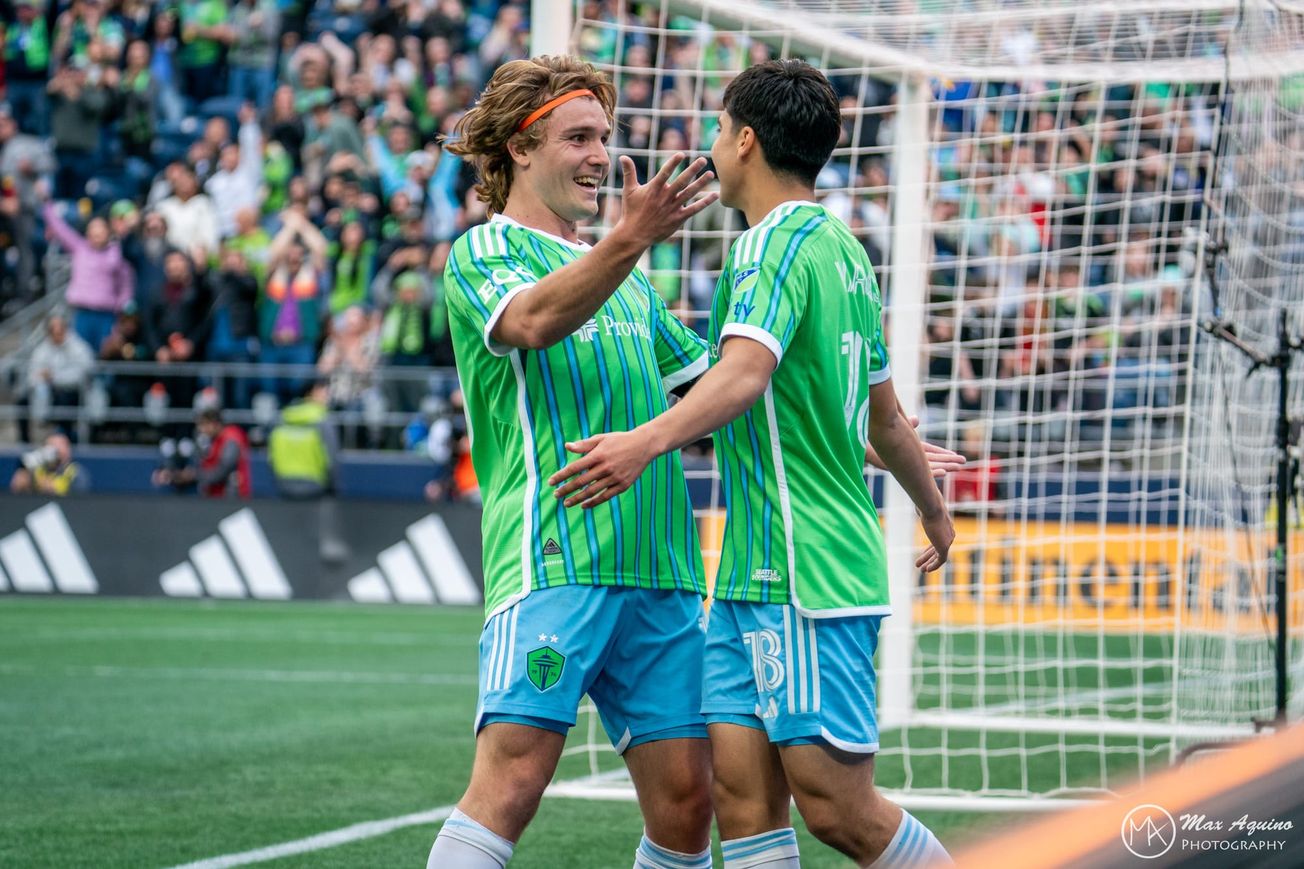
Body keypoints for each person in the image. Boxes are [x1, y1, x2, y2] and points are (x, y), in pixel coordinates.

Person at [549, 61, 957, 868]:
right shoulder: (840, 247)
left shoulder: (770, 246)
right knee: (743, 805)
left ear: (745, 140)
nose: (707, 144)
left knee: (840, 811)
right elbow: (877, 413)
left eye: (715, 128)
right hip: (748, 575)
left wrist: (645, 440)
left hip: (807, 573)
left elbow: (743, 375)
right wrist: (934, 508)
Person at [425, 55, 719, 869]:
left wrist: (872, 439)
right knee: (512, 785)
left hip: (661, 571)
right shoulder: (485, 253)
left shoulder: (627, 280)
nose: (600, 154)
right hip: (556, 555)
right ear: (520, 149)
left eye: (606, 136)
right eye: (579, 137)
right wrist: (630, 237)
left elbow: (718, 394)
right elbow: (533, 323)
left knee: (689, 806)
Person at [152, 405, 251, 498]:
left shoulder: (231, 438)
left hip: (232, 499)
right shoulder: (212, 441)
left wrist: (193, 475)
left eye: (203, 425)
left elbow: (222, 472)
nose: (201, 430)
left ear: (214, 423)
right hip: (215, 497)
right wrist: (176, 475)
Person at [267, 380, 337, 500]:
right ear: (310, 393)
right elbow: (331, 458)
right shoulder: (323, 421)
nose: (328, 397)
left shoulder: (281, 418)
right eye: (323, 392)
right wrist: (334, 487)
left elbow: (271, 455)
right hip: (316, 487)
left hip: (283, 485)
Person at [10, 432, 88, 495]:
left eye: (60, 446)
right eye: (51, 446)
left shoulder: (75, 472)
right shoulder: (36, 469)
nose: (56, 450)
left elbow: (79, 499)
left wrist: (53, 490)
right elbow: (17, 489)